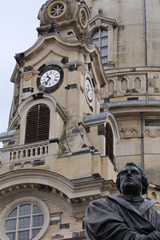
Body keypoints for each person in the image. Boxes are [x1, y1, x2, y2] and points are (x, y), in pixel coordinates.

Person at [85, 162, 160, 240]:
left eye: (134, 172)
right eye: (124, 173)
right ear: (119, 183)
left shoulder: (157, 216)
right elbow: (111, 231)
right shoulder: (98, 206)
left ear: (143, 182)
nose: (128, 174)